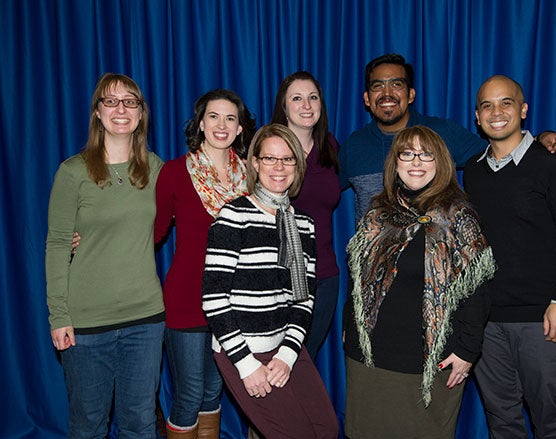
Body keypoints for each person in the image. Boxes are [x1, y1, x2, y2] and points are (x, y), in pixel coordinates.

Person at [343, 125, 496, 438]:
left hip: (427, 361)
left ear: (440, 162)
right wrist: (350, 326)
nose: (416, 161)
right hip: (369, 357)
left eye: (426, 155)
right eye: (407, 153)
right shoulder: (377, 211)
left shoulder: (457, 214)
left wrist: (468, 351)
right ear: (395, 163)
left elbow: (478, 289)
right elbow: (358, 277)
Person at [463, 75, 556, 438]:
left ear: (523, 109)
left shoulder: (554, 161)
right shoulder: (473, 170)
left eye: (506, 102)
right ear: (477, 116)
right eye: (487, 105)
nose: (497, 112)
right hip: (487, 322)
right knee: (501, 419)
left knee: (550, 417)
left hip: (541, 318)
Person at [45, 73, 164, 438]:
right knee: (88, 426)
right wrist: (58, 315)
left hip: (145, 320)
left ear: (141, 114)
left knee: (140, 423)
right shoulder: (72, 172)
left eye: (130, 101)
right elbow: (56, 245)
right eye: (110, 101)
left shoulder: (156, 169)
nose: (121, 109)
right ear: (97, 112)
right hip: (86, 325)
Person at [201, 124, 339, 438]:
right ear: (255, 163)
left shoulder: (303, 223)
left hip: (284, 345)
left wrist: (288, 355)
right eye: (269, 159)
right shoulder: (234, 216)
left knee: (327, 429)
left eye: (287, 159)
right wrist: (246, 365)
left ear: (297, 166)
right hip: (241, 347)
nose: (278, 167)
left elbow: (304, 298)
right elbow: (214, 299)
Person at [339, 53, 556, 222]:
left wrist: (542, 139)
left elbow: (503, 150)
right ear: (367, 99)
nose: (387, 93)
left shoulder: (443, 133)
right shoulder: (353, 146)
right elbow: (316, 191)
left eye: (397, 84)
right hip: (369, 275)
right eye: (378, 86)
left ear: (411, 94)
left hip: (435, 277)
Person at [155, 89, 256, 438]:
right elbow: (148, 234)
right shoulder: (174, 172)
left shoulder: (252, 177)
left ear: (241, 128)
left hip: (234, 302)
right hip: (187, 299)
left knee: (214, 392)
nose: (222, 124)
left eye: (231, 118)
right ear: (200, 123)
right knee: (189, 393)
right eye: (213, 116)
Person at [271, 71, 341, 359]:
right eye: (297, 98)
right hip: (280, 278)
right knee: (278, 363)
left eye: (313, 98)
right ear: (284, 107)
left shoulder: (330, 147)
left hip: (324, 275)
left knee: (304, 362)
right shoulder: (270, 149)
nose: (306, 105)